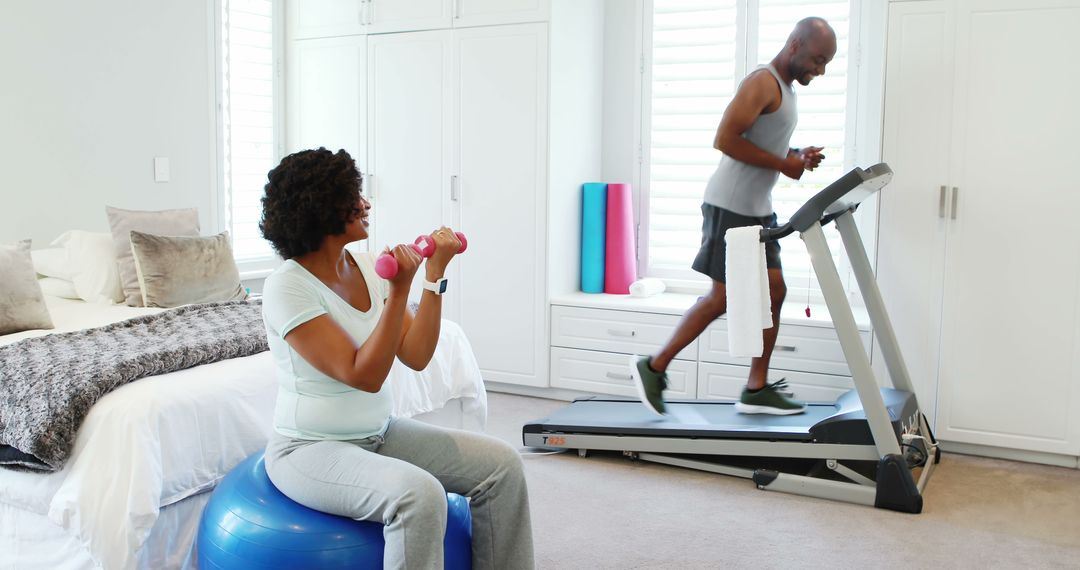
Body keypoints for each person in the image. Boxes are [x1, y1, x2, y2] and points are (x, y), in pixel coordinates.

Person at [258, 147, 534, 570]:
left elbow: (418, 355)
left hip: (378, 433)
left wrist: (433, 275)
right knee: (418, 494)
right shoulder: (287, 287)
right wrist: (399, 291)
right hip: (309, 448)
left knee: (502, 466)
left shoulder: (369, 267)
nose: (366, 204)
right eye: (354, 195)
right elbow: (363, 375)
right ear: (321, 205)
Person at [631, 17, 837, 416]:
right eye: (817, 59)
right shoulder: (763, 81)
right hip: (730, 207)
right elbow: (724, 139)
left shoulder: (787, 89)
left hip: (758, 211)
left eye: (826, 63)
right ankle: (654, 367)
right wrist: (782, 163)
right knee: (722, 298)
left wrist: (795, 156)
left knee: (775, 293)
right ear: (794, 44)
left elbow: (762, 141)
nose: (820, 70)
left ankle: (756, 388)